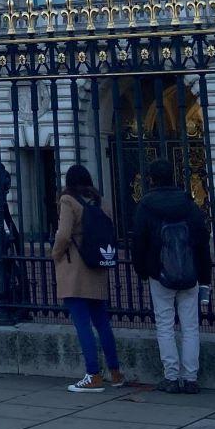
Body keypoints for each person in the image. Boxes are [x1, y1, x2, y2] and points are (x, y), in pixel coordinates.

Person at [131, 157, 214, 395]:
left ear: (152, 180)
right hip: (190, 272)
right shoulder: (189, 204)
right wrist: (203, 274)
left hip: (160, 272)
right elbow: (202, 241)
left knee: (165, 325)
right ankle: (190, 377)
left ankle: (171, 375)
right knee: (190, 327)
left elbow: (138, 242)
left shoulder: (146, 206)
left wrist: (142, 270)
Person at [51, 163, 124, 393]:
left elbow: (63, 234)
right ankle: (115, 372)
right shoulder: (102, 201)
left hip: (75, 267)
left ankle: (93, 374)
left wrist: (55, 254)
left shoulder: (67, 201)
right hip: (97, 264)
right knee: (102, 322)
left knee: (82, 323)